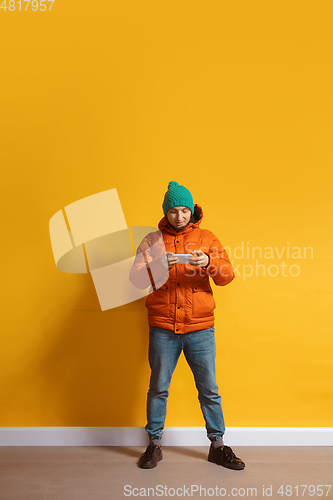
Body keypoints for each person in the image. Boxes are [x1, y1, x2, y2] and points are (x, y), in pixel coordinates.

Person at [129, 181, 245, 471]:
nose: (179, 217)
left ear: (192, 210)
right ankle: (154, 445)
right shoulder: (151, 241)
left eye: (184, 210)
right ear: (165, 213)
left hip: (200, 328)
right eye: (173, 211)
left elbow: (227, 275)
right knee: (158, 387)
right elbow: (135, 280)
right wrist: (159, 267)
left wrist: (208, 262)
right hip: (163, 328)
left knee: (209, 389)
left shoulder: (208, 238)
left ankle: (218, 446)